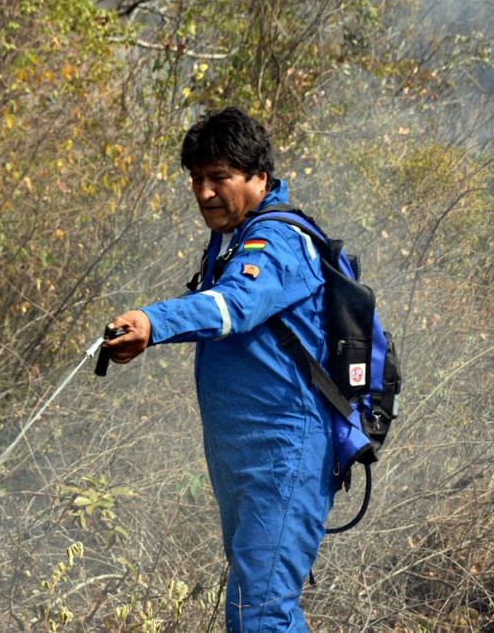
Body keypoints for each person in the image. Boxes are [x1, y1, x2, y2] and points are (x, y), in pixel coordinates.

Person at [104, 107, 335, 632]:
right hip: (242, 453)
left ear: (260, 177)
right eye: (196, 178)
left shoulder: (276, 241)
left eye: (219, 178)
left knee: (258, 614)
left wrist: (152, 321)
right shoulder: (230, 238)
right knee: (256, 606)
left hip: (285, 451)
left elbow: (234, 306)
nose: (204, 192)